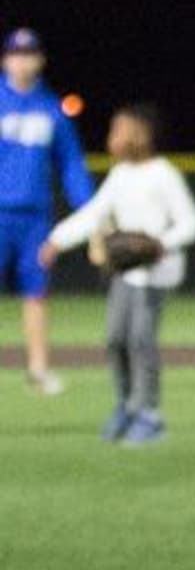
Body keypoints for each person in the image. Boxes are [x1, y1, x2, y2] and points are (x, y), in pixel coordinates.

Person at [41, 104, 195, 443]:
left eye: (119, 130)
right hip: (126, 272)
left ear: (139, 135)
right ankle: (126, 406)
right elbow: (93, 214)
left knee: (141, 341)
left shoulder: (163, 174)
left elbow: (192, 222)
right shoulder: (120, 175)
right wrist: (56, 240)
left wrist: (161, 244)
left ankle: (150, 414)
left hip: (157, 273)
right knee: (116, 339)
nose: (113, 138)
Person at [2, 27, 96, 395]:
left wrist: (89, 212)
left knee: (36, 294)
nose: (23, 61)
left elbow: (71, 165)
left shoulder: (51, 108)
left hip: (34, 218)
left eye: (30, 54)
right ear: (6, 59)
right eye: (16, 54)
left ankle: (39, 370)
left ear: (40, 59)